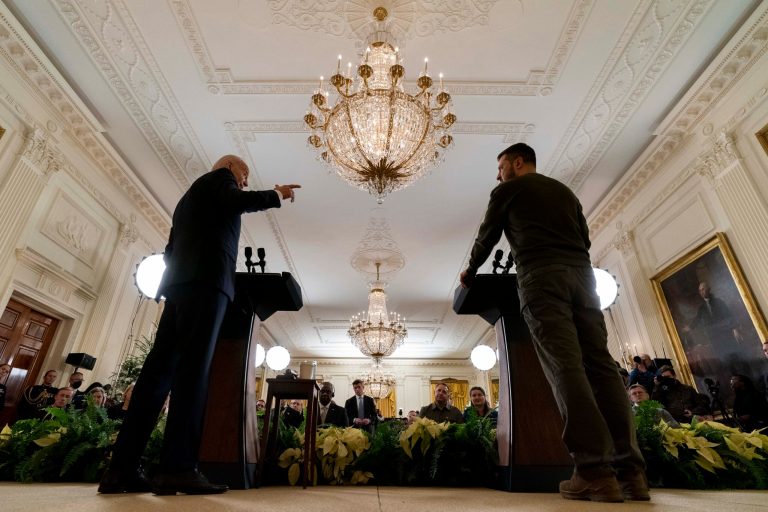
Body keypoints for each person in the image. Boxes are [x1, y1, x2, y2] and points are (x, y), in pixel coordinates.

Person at [98, 155, 300, 495]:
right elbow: (237, 200)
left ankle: (122, 469)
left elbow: (170, 249)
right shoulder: (219, 180)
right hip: (206, 286)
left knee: (156, 377)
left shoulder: (188, 200)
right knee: (193, 374)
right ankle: (177, 468)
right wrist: (275, 195)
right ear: (232, 168)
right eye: (245, 174)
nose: (245, 182)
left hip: (179, 288)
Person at [460, 143, 647, 502]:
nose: (498, 175)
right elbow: (585, 238)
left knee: (566, 367)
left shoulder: (508, 190)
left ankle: (593, 471)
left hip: (542, 278)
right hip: (583, 278)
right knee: (602, 367)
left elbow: (488, 234)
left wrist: (471, 268)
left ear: (517, 162)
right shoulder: (565, 192)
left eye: (501, 167)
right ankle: (631, 474)